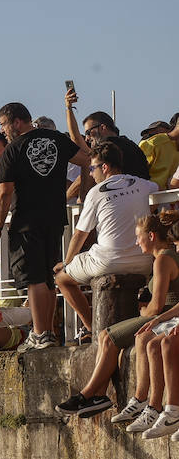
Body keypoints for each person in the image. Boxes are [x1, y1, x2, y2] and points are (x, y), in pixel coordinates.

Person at [56, 213, 179, 421]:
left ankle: (90, 394)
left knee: (109, 337)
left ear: (150, 236)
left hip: (163, 315)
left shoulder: (163, 259)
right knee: (105, 336)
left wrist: (143, 312)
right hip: (163, 313)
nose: (136, 241)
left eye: (138, 236)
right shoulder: (164, 257)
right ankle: (97, 395)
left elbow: (157, 306)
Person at [0, 102, 90, 350]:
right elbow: (86, 159)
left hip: (26, 221)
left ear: (16, 122)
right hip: (55, 218)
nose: (2, 130)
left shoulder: (14, 148)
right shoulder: (55, 138)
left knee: (33, 278)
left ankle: (40, 332)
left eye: (3, 124)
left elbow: (4, 192)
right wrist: (83, 191)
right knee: (47, 278)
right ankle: (46, 332)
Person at [53, 141, 159, 342]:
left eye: (92, 168)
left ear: (105, 167)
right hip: (145, 261)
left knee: (61, 279)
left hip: (108, 262)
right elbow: (158, 189)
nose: (91, 174)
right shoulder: (143, 184)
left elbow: (79, 235)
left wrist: (66, 263)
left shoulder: (96, 192)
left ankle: (91, 327)